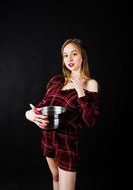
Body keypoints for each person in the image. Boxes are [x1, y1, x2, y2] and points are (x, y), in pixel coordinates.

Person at [25, 38, 100, 190]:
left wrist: (80, 91)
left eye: (74, 54)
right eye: (65, 55)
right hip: (47, 138)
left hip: (67, 142)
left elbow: (90, 121)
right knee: (55, 177)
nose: (69, 59)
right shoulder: (56, 81)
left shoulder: (90, 84)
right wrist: (30, 115)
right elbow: (40, 107)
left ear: (82, 56)